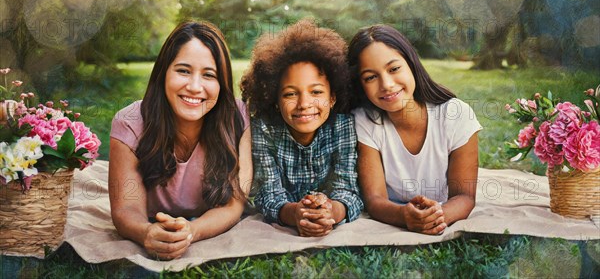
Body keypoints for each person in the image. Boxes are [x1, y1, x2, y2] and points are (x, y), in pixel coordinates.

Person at [109, 21, 252, 260]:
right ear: (163, 72)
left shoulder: (239, 118)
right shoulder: (129, 123)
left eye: (209, 75)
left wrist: (191, 231)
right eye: (183, 71)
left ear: (222, 83)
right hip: (153, 220)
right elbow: (126, 208)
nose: (195, 87)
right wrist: (146, 232)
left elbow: (233, 205)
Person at [348, 24, 481, 235]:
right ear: (360, 84)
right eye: (370, 77)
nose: (387, 84)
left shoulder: (456, 115)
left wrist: (438, 215)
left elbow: (464, 197)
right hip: (395, 210)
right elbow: (374, 200)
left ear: (411, 64)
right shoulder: (365, 121)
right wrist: (404, 216)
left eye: (394, 69)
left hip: (441, 208)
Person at [240, 19, 363, 237]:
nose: (304, 104)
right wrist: (296, 213)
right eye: (290, 94)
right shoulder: (265, 129)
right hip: (290, 213)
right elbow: (268, 195)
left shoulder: (342, 127)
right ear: (275, 99)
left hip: (328, 210)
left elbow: (347, 190)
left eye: (316, 92)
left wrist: (330, 212)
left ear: (333, 97)